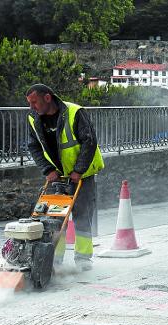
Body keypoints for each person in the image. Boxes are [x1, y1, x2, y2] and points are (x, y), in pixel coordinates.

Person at [25, 84, 104, 271]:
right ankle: (55, 261)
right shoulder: (32, 118)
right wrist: (47, 170)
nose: (31, 107)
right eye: (29, 103)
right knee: (54, 219)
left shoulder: (75, 112)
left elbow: (89, 141)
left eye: (34, 102)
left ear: (47, 98)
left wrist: (78, 170)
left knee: (82, 215)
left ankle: (83, 259)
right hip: (56, 176)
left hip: (82, 175)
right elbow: (34, 147)